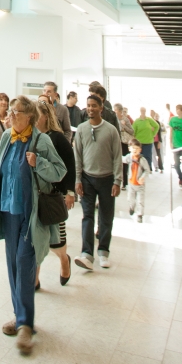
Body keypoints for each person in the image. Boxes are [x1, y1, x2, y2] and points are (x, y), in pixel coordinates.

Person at [0, 95, 66, 354]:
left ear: (29, 117)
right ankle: (19, 316)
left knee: (26, 263)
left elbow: (59, 171)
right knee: (13, 265)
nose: (10, 115)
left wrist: (38, 163)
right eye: (11, 112)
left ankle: (26, 325)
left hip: (30, 214)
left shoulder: (41, 140)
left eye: (15, 112)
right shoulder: (6, 138)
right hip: (7, 211)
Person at [74, 94, 123, 270]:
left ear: (101, 108)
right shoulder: (81, 129)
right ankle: (86, 254)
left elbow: (117, 157)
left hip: (107, 179)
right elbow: (77, 156)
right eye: (88, 105)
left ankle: (103, 251)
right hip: (87, 179)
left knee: (106, 217)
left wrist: (117, 181)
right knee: (87, 216)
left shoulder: (111, 130)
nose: (91, 108)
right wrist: (77, 179)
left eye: (94, 105)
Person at [34, 100, 75, 289]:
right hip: (35, 194)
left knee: (57, 241)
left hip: (53, 195)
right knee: (37, 239)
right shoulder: (32, 137)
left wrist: (70, 192)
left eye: (38, 114)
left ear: (47, 116)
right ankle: (35, 278)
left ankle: (64, 260)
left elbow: (69, 165)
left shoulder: (57, 138)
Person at [122, 138, 150, 223]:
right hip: (131, 184)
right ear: (129, 149)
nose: (135, 150)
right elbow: (122, 159)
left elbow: (147, 170)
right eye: (133, 148)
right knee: (130, 198)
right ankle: (131, 207)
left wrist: (143, 177)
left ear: (140, 150)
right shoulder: (129, 157)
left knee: (140, 200)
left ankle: (140, 215)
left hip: (140, 185)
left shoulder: (142, 160)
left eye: (137, 148)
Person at [114, 103, 135, 189]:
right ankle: (117, 180)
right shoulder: (113, 119)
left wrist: (124, 126)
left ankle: (125, 182)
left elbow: (131, 131)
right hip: (116, 142)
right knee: (117, 161)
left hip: (124, 143)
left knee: (124, 162)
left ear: (120, 111)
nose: (114, 112)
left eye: (115, 110)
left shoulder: (125, 119)